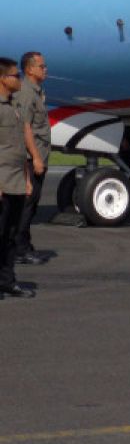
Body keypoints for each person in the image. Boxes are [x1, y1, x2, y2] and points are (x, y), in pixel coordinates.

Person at [0, 57, 35, 298]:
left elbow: (19, 146)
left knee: (10, 235)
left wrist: (27, 178)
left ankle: (7, 280)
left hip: (16, 181)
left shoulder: (15, 107)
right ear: (3, 79)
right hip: (1, 181)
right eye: (16, 76)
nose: (19, 79)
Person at [13, 52, 50, 265]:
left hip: (38, 156)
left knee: (32, 204)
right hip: (30, 158)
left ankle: (24, 243)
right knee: (27, 204)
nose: (45, 69)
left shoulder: (36, 91)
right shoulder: (27, 93)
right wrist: (35, 158)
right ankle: (20, 248)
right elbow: (25, 127)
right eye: (42, 66)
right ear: (30, 69)